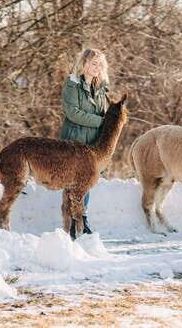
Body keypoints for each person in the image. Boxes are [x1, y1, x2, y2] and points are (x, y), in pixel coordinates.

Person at [59, 48, 110, 234]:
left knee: (86, 182)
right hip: (74, 141)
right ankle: (71, 220)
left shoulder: (101, 88)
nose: (97, 67)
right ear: (84, 63)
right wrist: (101, 122)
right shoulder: (72, 84)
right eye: (93, 63)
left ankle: (82, 217)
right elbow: (73, 113)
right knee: (72, 182)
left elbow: (103, 112)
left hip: (93, 144)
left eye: (100, 64)